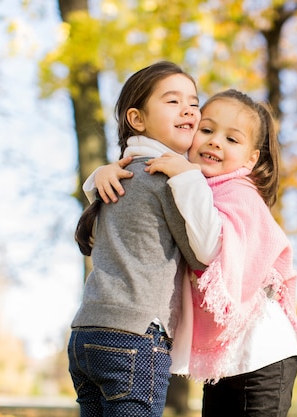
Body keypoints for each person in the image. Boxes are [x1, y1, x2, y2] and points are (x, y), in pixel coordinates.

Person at [94, 89, 297, 417]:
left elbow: (212, 248)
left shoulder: (240, 195)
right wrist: (100, 177)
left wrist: (187, 176)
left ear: (251, 158)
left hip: (263, 353)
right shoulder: (189, 184)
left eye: (232, 140)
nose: (215, 142)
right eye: (206, 131)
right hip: (226, 357)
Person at [69, 61, 206, 417]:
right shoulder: (167, 178)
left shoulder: (114, 177)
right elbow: (202, 255)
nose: (189, 109)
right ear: (137, 119)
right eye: (173, 101)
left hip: (85, 333)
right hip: (135, 337)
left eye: (193, 101)